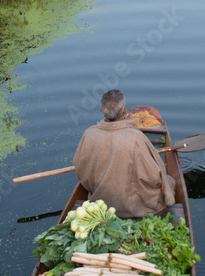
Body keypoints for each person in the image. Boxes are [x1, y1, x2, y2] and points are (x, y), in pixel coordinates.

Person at [73, 89, 176, 219]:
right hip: (132, 209)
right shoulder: (136, 138)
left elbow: (81, 170)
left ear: (101, 111)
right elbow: (154, 178)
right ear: (124, 111)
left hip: (101, 204)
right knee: (169, 182)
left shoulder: (89, 134)